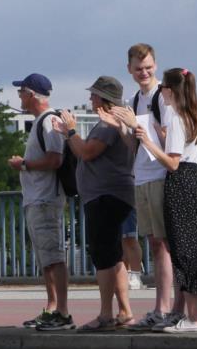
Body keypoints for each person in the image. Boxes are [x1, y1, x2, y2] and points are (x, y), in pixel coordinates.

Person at [135, 68, 197, 333]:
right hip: (196, 183)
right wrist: (163, 138)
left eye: (163, 86)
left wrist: (148, 142)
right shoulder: (195, 115)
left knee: (185, 252)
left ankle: (195, 319)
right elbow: (188, 150)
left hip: (180, 186)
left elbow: (173, 163)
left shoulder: (176, 117)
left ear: (170, 89)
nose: (160, 92)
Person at [53, 77, 136, 331]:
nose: (91, 99)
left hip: (105, 196)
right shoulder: (116, 122)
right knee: (114, 255)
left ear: (103, 98)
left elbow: (86, 151)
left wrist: (69, 131)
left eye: (94, 96)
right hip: (113, 195)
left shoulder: (108, 125)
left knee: (102, 255)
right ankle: (124, 311)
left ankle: (105, 314)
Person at [119, 43, 184, 330]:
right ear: (130, 69)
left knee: (165, 244)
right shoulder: (134, 99)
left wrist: (141, 130)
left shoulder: (162, 96)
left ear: (155, 65)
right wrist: (122, 128)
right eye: (138, 68)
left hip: (160, 174)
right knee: (155, 243)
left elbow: (170, 138)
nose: (143, 72)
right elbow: (132, 145)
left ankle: (167, 307)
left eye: (147, 67)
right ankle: (162, 307)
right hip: (142, 175)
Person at [8, 73, 73, 331]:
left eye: (21, 92)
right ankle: (52, 307)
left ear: (31, 94)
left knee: (54, 257)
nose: (19, 97)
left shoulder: (49, 121)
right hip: (38, 198)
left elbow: (55, 160)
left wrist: (23, 164)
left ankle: (63, 311)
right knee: (45, 257)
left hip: (46, 198)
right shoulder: (40, 122)